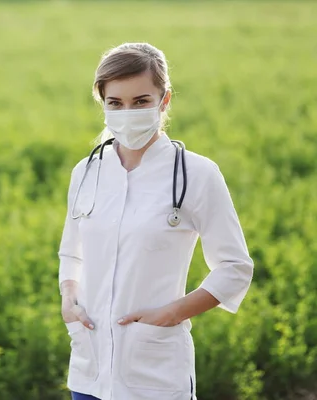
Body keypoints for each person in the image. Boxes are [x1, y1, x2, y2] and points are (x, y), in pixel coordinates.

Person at [57, 42, 254, 400]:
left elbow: (235, 267)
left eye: (141, 101)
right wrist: (68, 296)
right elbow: (72, 254)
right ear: (102, 103)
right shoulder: (87, 172)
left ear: (164, 100)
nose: (127, 112)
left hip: (154, 375)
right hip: (89, 373)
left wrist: (172, 313)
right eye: (115, 103)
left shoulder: (196, 174)